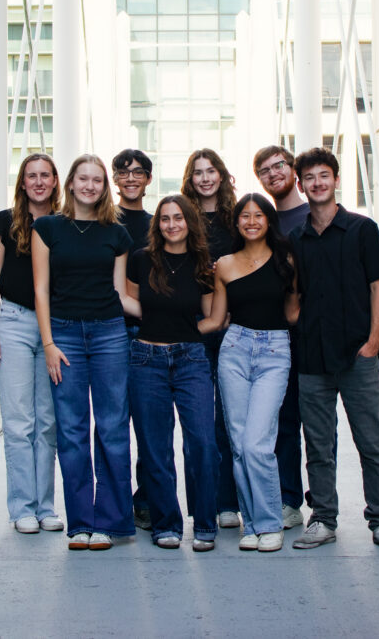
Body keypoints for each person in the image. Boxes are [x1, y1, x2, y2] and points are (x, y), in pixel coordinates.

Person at [288, 147, 379, 552]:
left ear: (336, 179)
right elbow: (293, 295)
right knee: (318, 444)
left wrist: (374, 342)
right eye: (309, 177)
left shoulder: (362, 229)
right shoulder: (296, 238)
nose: (317, 183)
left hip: (358, 355)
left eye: (324, 175)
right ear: (301, 185)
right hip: (312, 357)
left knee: (370, 441)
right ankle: (323, 517)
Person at [32, 154, 140, 551]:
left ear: (103, 186)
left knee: (112, 427)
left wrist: (171, 319)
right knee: (72, 430)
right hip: (64, 336)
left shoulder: (117, 233)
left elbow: (120, 293)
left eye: (97, 180)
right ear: (71, 183)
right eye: (84, 178)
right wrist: (48, 344)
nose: (90, 185)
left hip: (111, 334)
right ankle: (80, 522)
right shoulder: (47, 228)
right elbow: (40, 289)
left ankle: (111, 522)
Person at [203, 193, 299, 552]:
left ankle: (270, 522)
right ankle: (252, 525)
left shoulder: (286, 259)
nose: (252, 221)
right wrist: (167, 330)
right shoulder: (225, 265)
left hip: (275, 350)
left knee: (258, 443)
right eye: (245, 215)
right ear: (237, 222)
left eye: (259, 215)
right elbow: (216, 319)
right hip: (234, 350)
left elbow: (292, 314)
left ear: (268, 220)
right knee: (240, 445)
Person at [126, 195, 219, 552]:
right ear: (157, 225)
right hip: (145, 357)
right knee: (154, 447)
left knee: (203, 444)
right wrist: (154, 320)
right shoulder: (141, 259)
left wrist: (188, 334)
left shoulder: (203, 265)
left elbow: (211, 316)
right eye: (164, 219)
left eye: (178, 218)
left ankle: (206, 525)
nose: (171, 224)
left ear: (189, 221)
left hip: (191, 359)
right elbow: (133, 303)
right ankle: (166, 524)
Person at [0, 153, 64, 535]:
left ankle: (46, 506)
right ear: (22, 182)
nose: (38, 182)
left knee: (47, 422)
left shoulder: (64, 223)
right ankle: (22, 508)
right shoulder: (5, 222)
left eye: (44, 175)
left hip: (54, 330)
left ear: (54, 181)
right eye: (31, 176)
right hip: (14, 324)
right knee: (19, 423)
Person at [180, 148, 241, 529]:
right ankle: (203, 502)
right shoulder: (180, 218)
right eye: (198, 172)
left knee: (230, 419)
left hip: (235, 325)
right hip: (195, 327)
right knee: (198, 422)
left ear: (221, 175)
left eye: (211, 171)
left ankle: (229, 503)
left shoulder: (238, 219)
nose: (205, 178)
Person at [253, 145, 309, 531]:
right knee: (283, 424)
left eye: (279, 166)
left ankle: (322, 504)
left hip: (312, 337)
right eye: (264, 170)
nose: (273, 174)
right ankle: (289, 500)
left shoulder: (313, 214)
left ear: (293, 170)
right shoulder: (265, 221)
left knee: (320, 429)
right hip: (275, 338)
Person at [111, 148, 155, 531]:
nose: (130, 178)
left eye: (138, 172)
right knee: (111, 424)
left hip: (150, 333)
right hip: (109, 332)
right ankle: (114, 503)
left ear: (148, 179)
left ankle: (143, 502)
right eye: (123, 172)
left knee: (147, 425)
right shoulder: (102, 220)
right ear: (114, 179)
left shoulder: (160, 224)